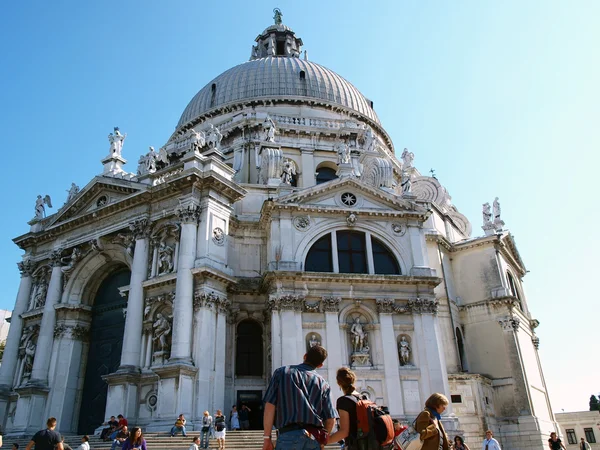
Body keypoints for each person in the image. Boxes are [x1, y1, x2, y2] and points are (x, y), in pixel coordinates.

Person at [262, 345, 339, 450]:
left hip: (288, 436)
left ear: (305, 356)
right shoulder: (323, 384)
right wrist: (322, 441)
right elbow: (330, 418)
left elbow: (270, 406)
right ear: (320, 365)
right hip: (313, 438)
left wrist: (267, 438)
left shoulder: (282, 373)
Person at [327, 367, 360, 448]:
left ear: (339, 382)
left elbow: (344, 432)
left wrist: (325, 441)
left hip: (356, 446)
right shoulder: (363, 398)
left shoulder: (344, 401)